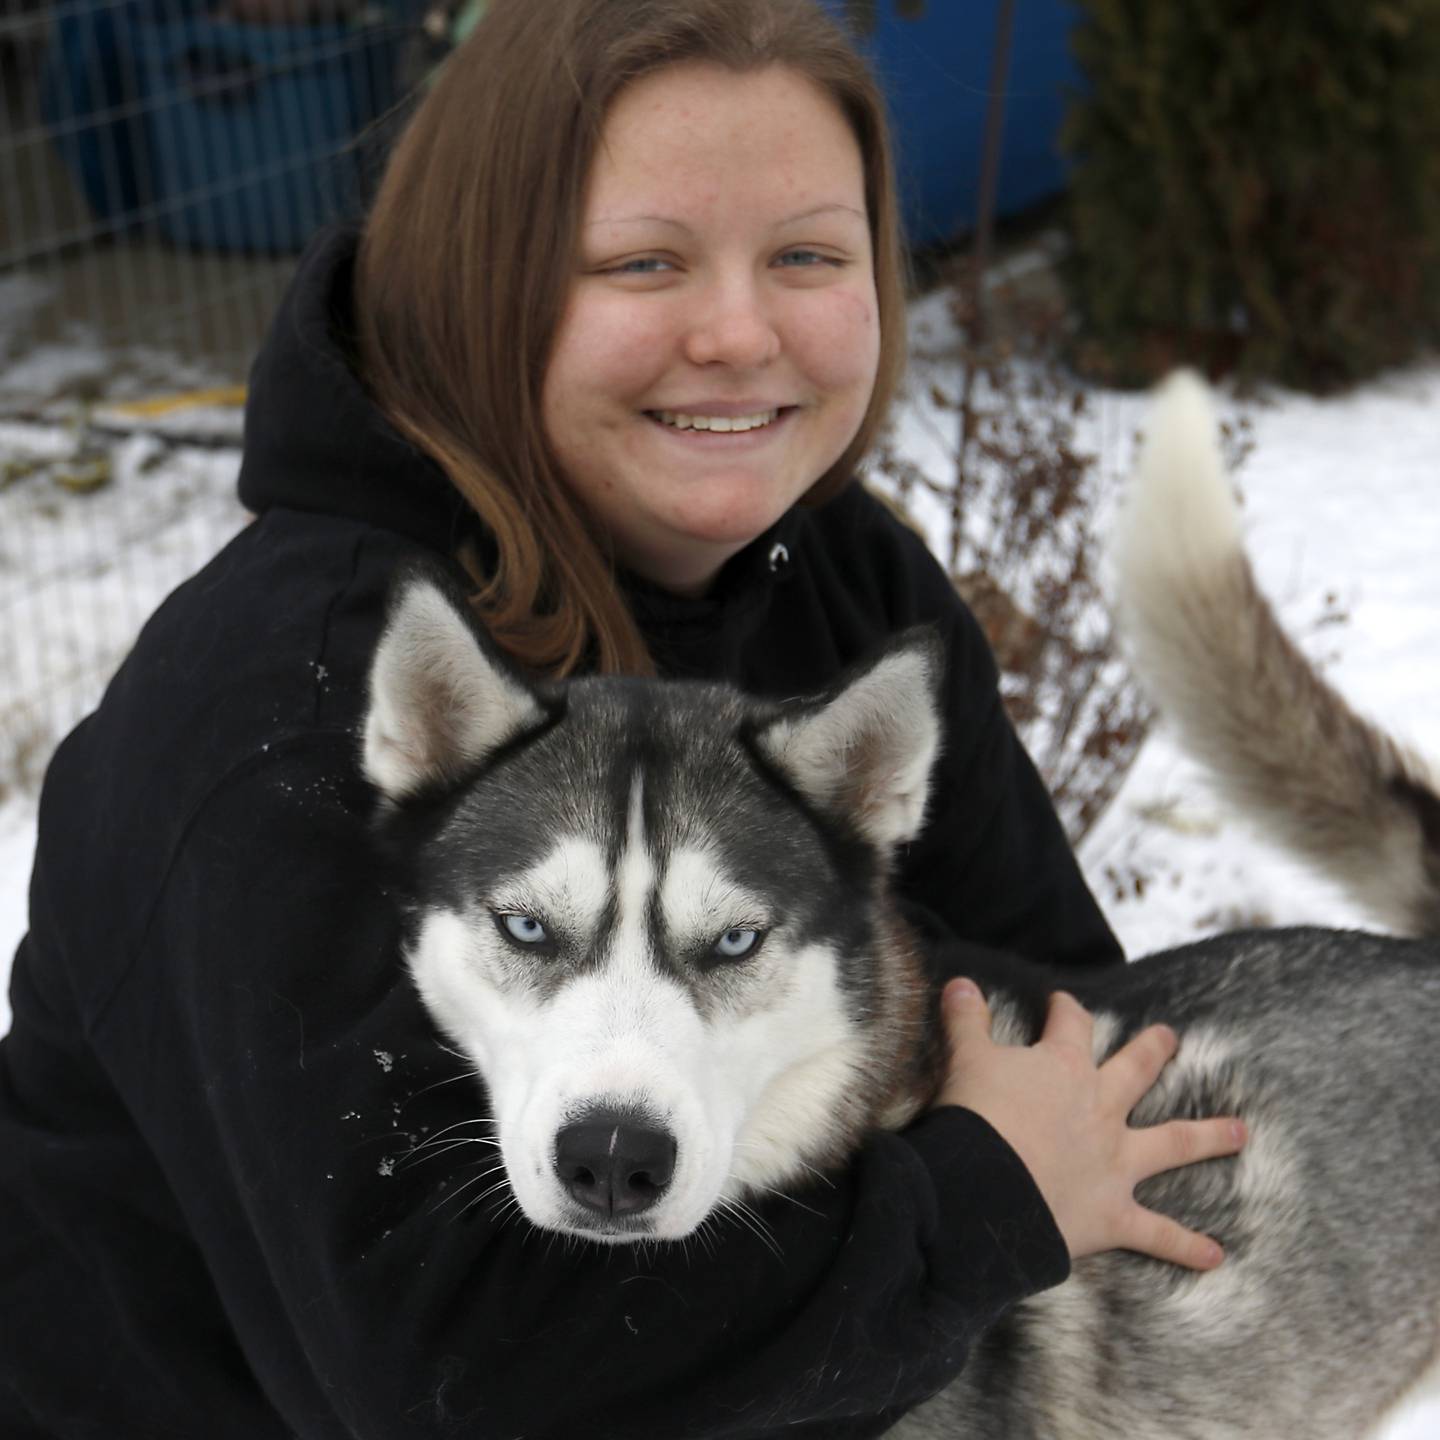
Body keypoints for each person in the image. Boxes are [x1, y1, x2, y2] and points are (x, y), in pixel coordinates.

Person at [0, 1, 1244, 1435]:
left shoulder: (829, 571)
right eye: (644, 262)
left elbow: (1058, 1034)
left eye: (810, 257)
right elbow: (459, 1378)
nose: (739, 332)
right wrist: (964, 1208)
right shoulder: (284, 707)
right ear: (484, 283)